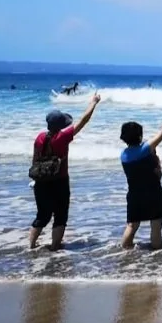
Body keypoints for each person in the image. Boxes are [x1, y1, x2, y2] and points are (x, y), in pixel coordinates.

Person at [28, 93, 101, 250]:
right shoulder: (62, 137)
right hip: (59, 181)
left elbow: (35, 159)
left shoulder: (40, 137)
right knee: (60, 215)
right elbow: (83, 121)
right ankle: (55, 246)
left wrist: (36, 179)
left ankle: (32, 245)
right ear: (61, 126)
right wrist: (93, 103)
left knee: (42, 215)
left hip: (40, 180)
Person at [118, 105, 162, 249]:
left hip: (134, 194)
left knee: (132, 225)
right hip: (153, 193)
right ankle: (157, 254)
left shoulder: (123, 155)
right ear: (140, 136)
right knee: (155, 225)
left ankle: (124, 252)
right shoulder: (145, 149)